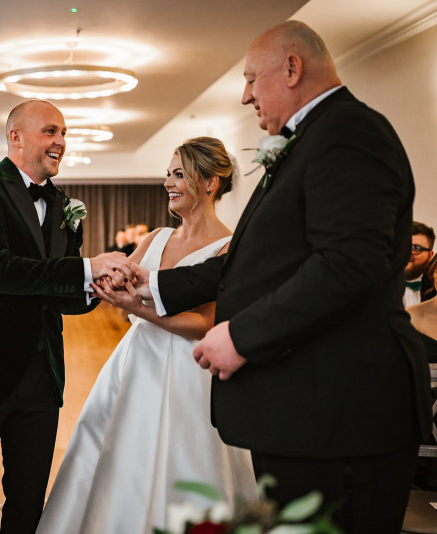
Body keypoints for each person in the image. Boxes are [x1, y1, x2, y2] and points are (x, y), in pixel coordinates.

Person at [133, 21, 431, 532]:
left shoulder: (350, 132)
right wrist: (151, 285)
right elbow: (246, 264)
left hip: (342, 412)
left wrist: (241, 335)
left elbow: (350, 263)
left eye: (251, 78)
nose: (246, 95)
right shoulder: (310, 140)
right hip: (306, 410)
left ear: (292, 68)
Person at [0, 99, 134, 533]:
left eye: (63, 133)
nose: (60, 141)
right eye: (50, 131)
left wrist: (99, 290)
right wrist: (85, 269)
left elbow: (61, 294)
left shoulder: (64, 207)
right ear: (15, 137)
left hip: (41, 373)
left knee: (28, 502)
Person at [37, 138, 255, 534]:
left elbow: (204, 323)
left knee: (185, 457)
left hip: (192, 369)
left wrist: (136, 307)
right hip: (136, 361)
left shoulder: (229, 249)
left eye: (179, 175)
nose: (169, 183)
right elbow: (112, 279)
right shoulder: (155, 237)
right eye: (167, 175)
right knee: (117, 451)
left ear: (210, 182)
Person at [405, 221, 435, 307]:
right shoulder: (374, 285)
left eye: (416, 248)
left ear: (430, 256)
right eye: (402, 246)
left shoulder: (434, 286)